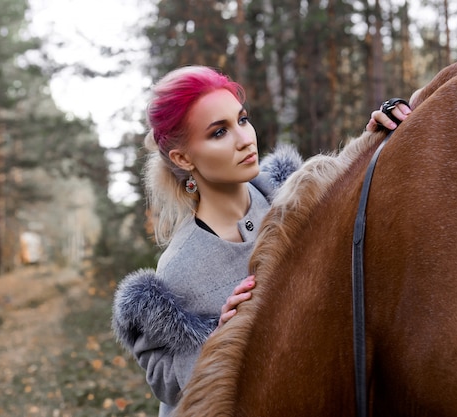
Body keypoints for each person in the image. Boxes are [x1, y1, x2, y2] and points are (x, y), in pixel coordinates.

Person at [111, 65, 406, 417]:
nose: (244, 138)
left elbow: (354, 209)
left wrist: (378, 139)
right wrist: (219, 337)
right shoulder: (178, 269)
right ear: (182, 157)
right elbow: (163, 381)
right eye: (219, 132)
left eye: (242, 120)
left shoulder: (295, 197)